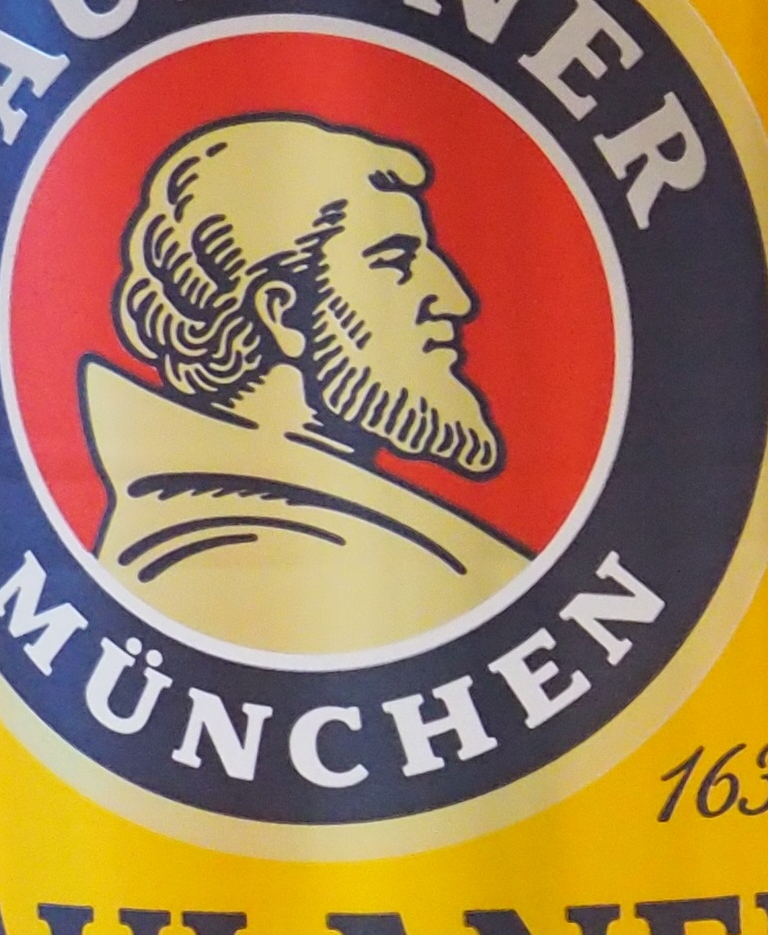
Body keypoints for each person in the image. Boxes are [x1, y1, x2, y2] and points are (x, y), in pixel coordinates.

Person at [84, 115, 534, 660]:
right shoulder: (229, 551)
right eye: (397, 262)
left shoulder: (336, 526)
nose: (455, 298)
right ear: (284, 313)